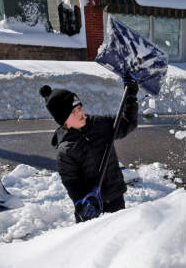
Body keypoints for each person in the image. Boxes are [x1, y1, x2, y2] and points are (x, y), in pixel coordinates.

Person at [40, 76, 138, 223]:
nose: (80, 113)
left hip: (115, 196)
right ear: (63, 120)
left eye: (80, 108)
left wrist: (130, 98)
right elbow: (71, 182)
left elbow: (126, 124)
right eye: (74, 112)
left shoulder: (98, 124)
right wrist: (80, 203)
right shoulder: (65, 150)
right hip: (91, 206)